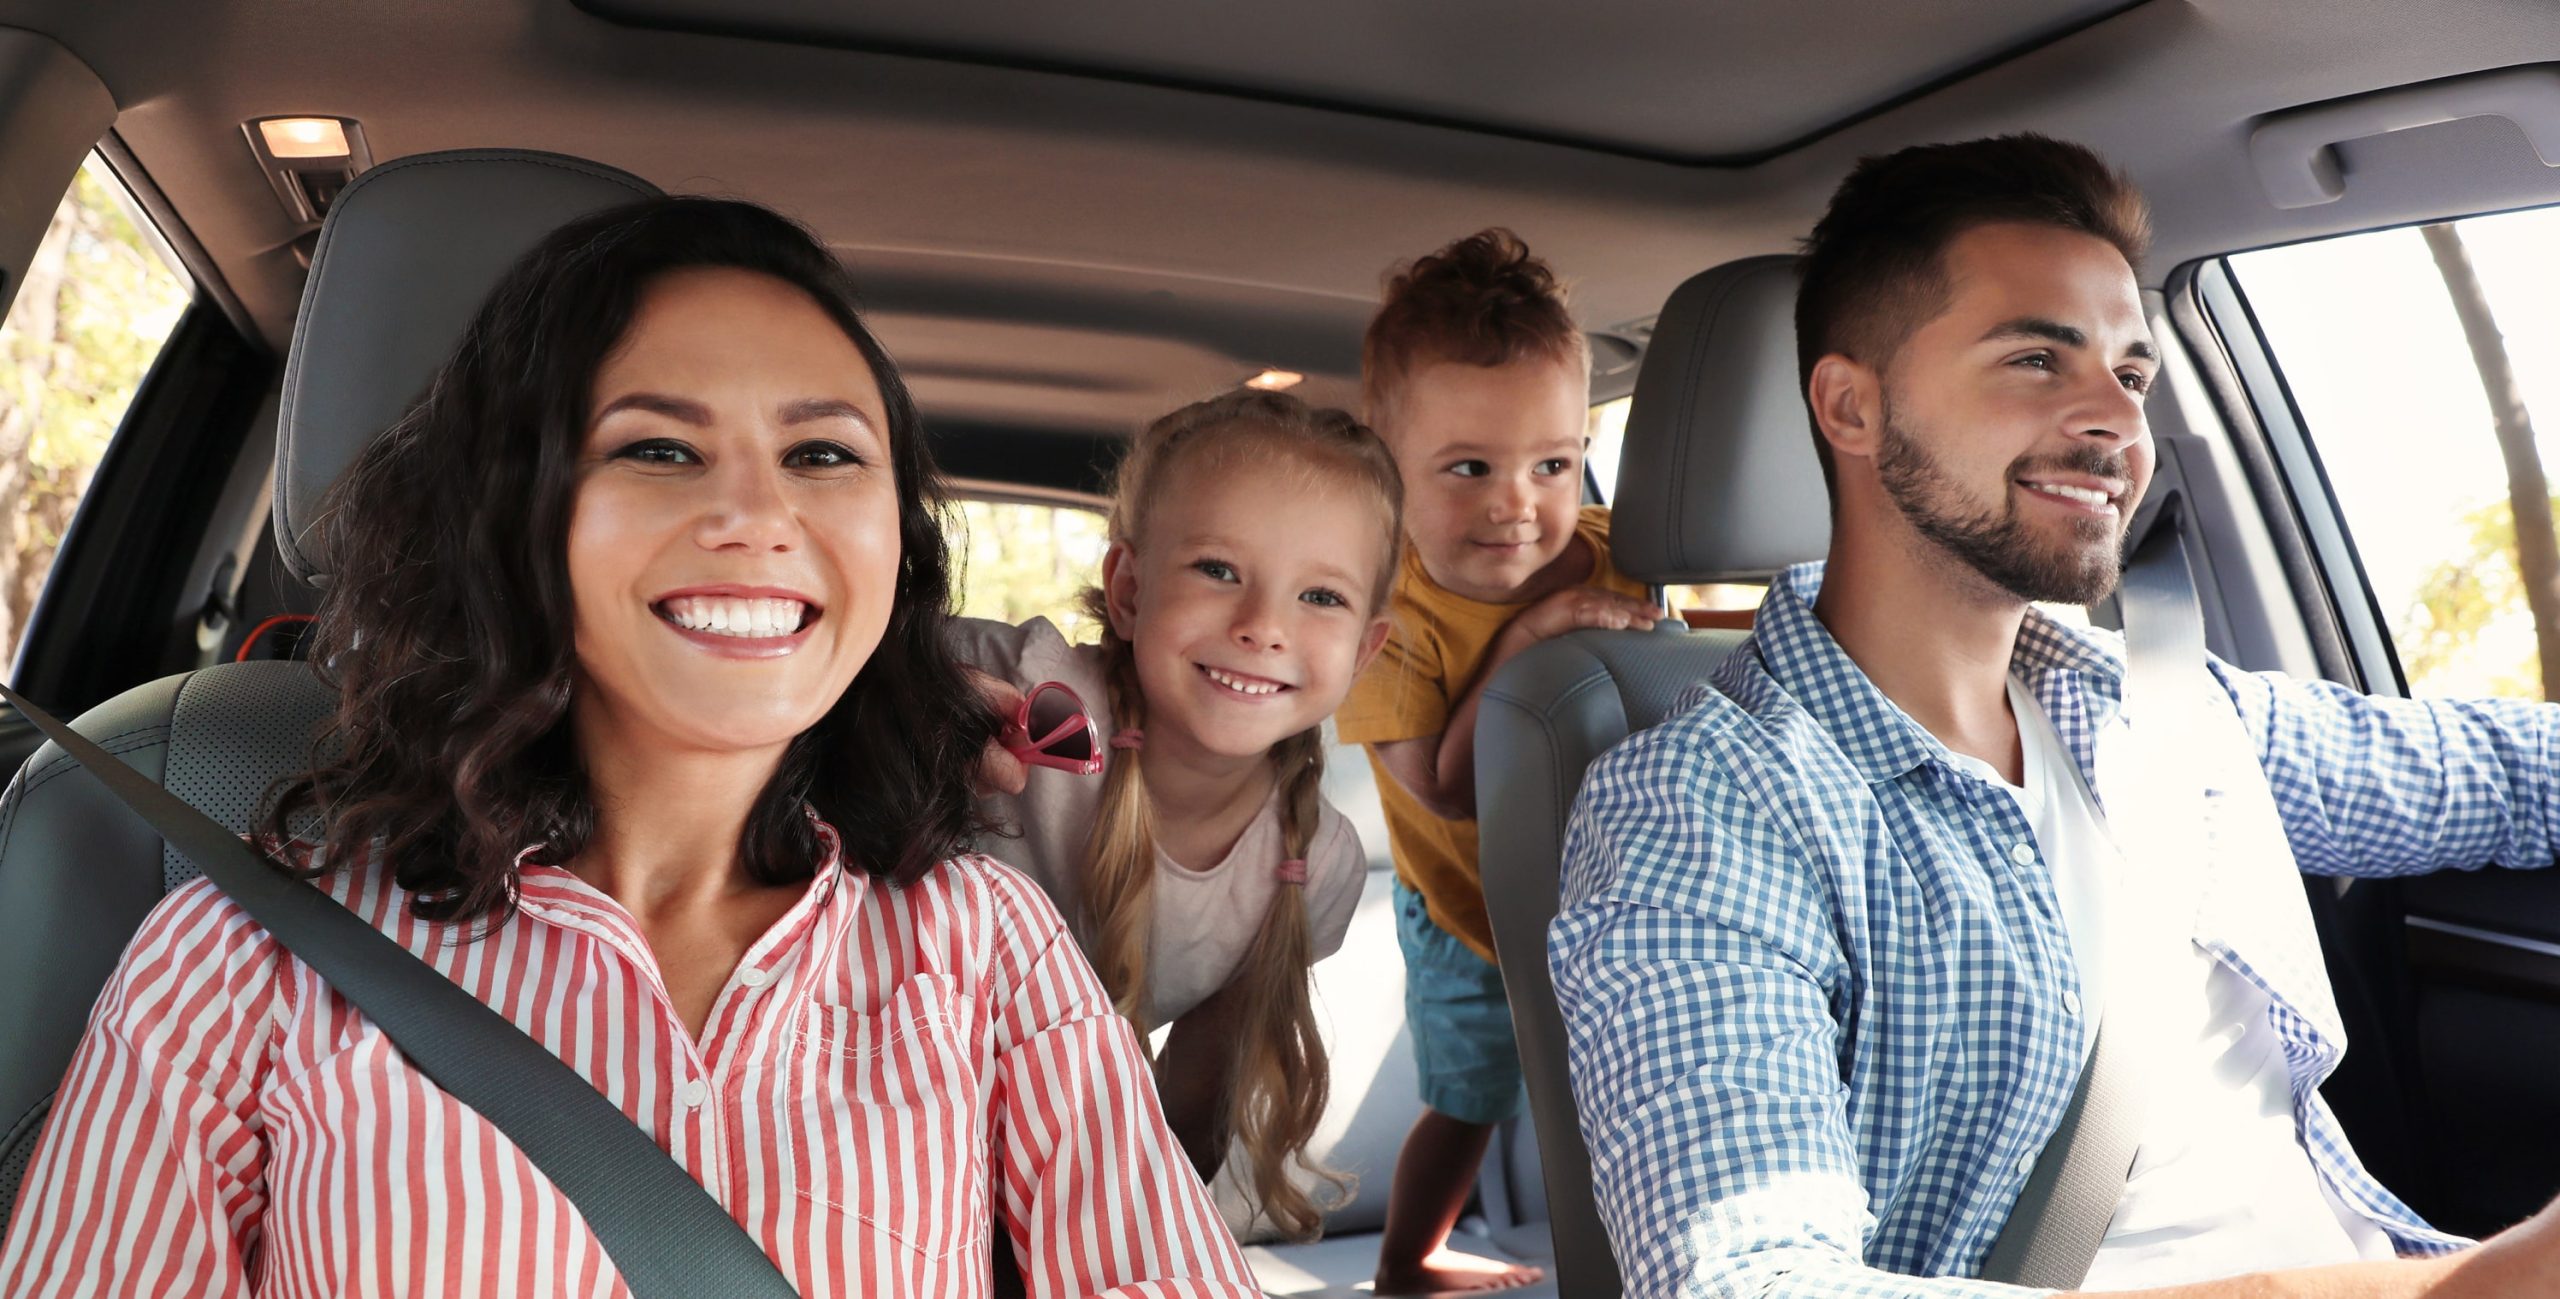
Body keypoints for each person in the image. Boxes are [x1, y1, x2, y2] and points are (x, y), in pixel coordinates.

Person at [0, 197, 1258, 1299]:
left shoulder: (984, 953)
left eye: (822, 453)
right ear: (516, 516)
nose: (760, 516)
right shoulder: (246, 953)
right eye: (659, 448)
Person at [1551, 133, 2560, 1298]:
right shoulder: (1701, 811)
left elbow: (2509, 774)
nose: (2115, 426)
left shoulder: (2172, 715)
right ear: (1851, 407)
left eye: (2131, 376)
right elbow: (1747, 1284)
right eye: (2037, 357)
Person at [949, 389, 1399, 1241]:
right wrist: (906, 706)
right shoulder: (1027, 691)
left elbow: (1180, 1127)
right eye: (1218, 570)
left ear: (1365, 651)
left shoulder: (1313, 863)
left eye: (1322, 598)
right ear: (1126, 589)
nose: (1264, 626)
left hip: (1053, 1200)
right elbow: (836, 663)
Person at [1334, 229, 1661, 1294]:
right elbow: (1439, 787)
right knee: (1470, 1091)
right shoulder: (1388, 615)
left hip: (1614, 896)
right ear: (1387, 474)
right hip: (1467, 909)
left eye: (1551, 464)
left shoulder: (1627, 553)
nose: (1516, 504)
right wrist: (1529, 643)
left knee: (1631, 1090)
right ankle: (1407, 1260)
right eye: (1467, 468)